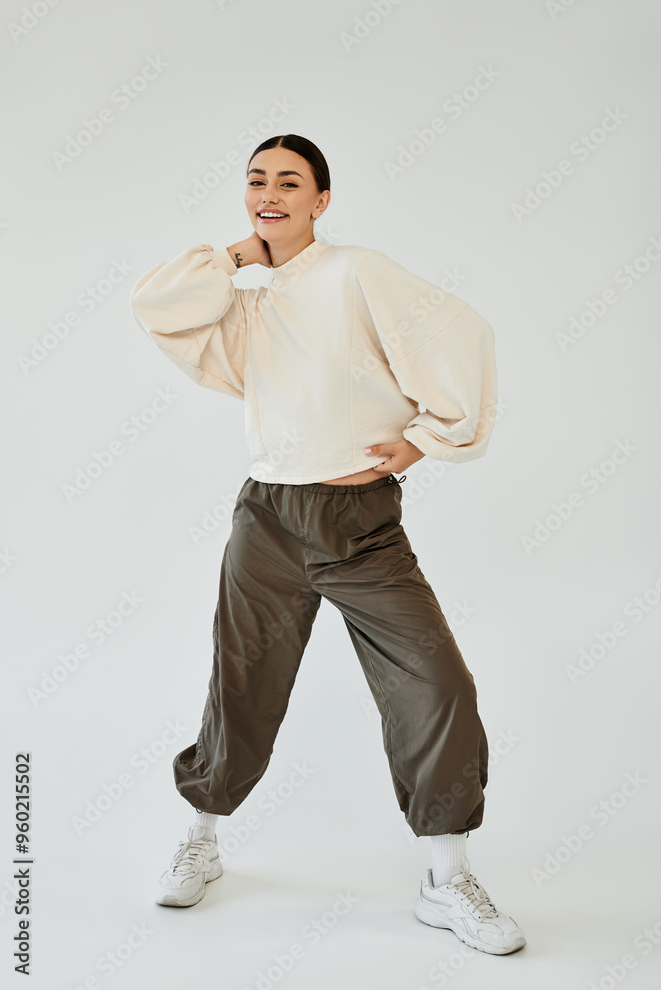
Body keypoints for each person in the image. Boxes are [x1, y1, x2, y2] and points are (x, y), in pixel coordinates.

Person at [129, 133, 526, 955]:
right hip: (267, 521)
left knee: (436, 683)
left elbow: (463, 332)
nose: (269, 193)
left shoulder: (356, 271)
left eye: (289, 182)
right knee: (241, 685)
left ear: (323, 198)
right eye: (255, 181)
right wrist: (244, 253)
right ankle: (201, 840)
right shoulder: (242, 291)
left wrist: (428, 437)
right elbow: (155, 305)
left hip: (361, 526)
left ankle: (445, 879)